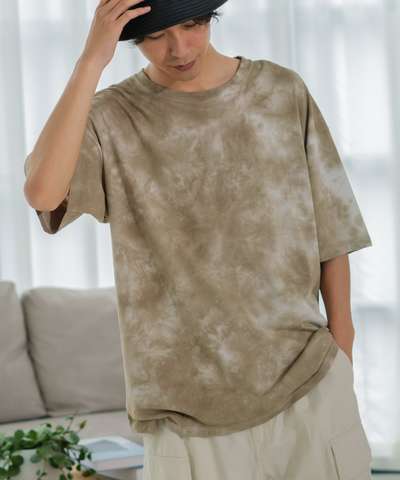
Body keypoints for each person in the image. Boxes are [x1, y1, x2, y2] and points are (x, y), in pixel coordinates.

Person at [23, 0, 374, 478]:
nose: (179, 48)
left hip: (307, 382)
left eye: (193, 24)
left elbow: (332, 228)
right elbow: (43, 192)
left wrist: (343, 350)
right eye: (155, 35)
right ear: (129, 37)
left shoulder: (280, 91)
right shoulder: (113, 116)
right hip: (184, 409)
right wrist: (90, 61)